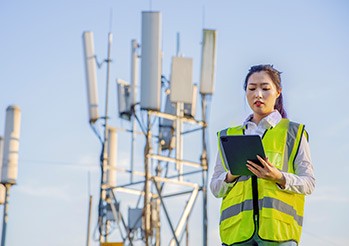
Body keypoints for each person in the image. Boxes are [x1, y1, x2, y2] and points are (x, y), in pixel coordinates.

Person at [210, 64, 315, 246]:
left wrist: (279, 177)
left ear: (278, 92)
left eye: (265, 88)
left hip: (278, 235)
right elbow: (215, 188)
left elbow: (309, 183)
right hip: (237, 235)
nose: (258, 94)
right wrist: (231, 175)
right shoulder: (228, 135)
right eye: (252, 89)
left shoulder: (293, 132)